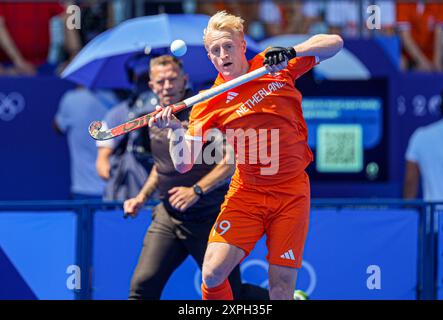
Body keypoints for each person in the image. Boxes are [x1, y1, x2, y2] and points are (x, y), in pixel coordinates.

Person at [150, 11, 343, 300]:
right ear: (210, 57)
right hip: (248, 192)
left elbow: (335, 43)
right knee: (212, 274)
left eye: (228, 46)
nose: (222, 54)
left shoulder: (273, 64)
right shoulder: (207, 102)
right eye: (215, 50)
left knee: (280, 288)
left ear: (241, 45)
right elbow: (184, 163)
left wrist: (294, 51)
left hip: (291, 191)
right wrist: (175, 128)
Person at [124, 55, 269, 300]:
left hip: (209, 217)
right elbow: (161, 167)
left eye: (172, 80)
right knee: (142, 287)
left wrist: (196, 190)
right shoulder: (153, 121)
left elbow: (230, 162)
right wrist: (141, 196)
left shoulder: (203, 115)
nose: (167, 86)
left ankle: (284, 297)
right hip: (169, 217)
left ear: (184, 81)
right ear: (152, 86)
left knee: (231, 294)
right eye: (161, 82)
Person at [96, 56, 158, 201]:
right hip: (129, 193)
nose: (146, 83)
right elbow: (102, 163)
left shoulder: (173, 110)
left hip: (164, 194)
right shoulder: (117, 114)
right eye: (141, 77)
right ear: (132, 79)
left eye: (150, 77)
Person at [54, 86, 118, 199]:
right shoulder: (116, 100)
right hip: (110, 189)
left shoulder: (71, 99)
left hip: (86, 189)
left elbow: (58, 127)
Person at [403, 86, 443, 203]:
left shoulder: (421, 136)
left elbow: (410, 181)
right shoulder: (421, 135)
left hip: (434, 218)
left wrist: (408, 216)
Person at [397, 1, 443, 72]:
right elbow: (405, 37)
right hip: (410, 54)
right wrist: (421, 61)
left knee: (440, 66)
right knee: (400, 63)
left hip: (431, 52)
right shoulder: (403, 3)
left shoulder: (439, 3)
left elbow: (439, 34)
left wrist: (437, 61)